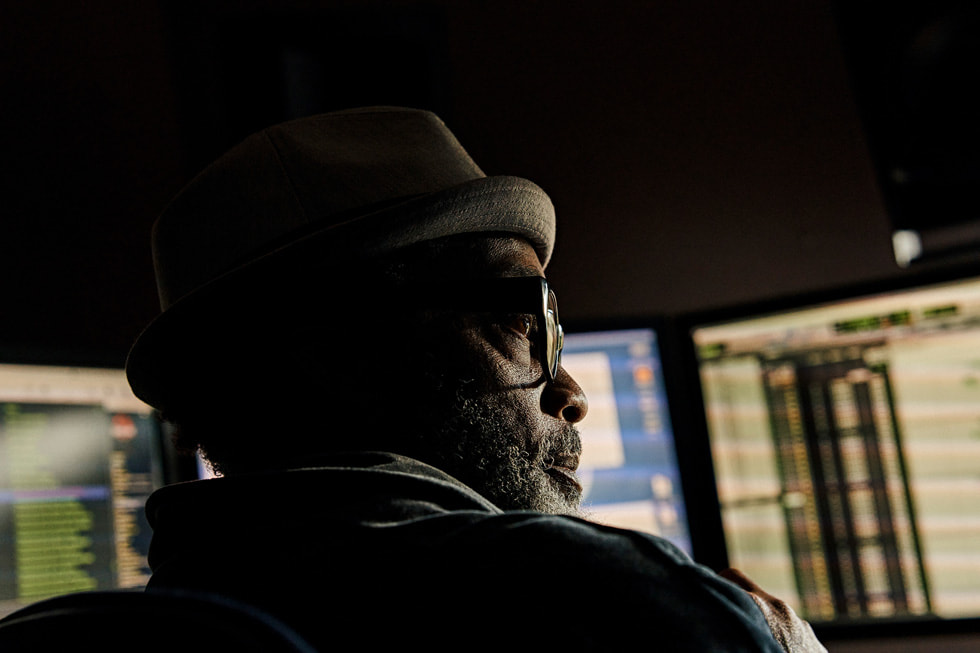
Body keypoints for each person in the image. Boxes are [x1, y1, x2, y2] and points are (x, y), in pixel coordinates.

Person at [126, 106, 825, 651]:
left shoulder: (124, 626)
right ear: (346, 355)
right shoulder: (609, 605)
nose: (572, 394)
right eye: (526, 324)